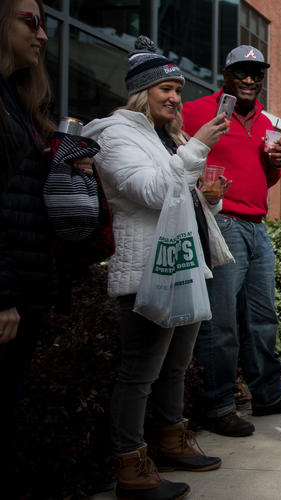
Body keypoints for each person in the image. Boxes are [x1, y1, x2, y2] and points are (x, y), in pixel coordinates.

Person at [83, 36, 230, 500]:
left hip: (185, 265)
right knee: (140, 372)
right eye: (164, 88)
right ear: (140, 92)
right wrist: (199, 146)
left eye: (178, 91)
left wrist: (206, 195)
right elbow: (149, 191)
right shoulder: (113, 134)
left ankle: (171, 441)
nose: (174, 98)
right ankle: (130, 465)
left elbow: (176, 191)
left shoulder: (167, 137)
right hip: (148, 271)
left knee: (175, 367)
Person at [182, 44, 281, 438]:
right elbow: (177, 156)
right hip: (221, 221)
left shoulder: (266, 123)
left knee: (262, 317)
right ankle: (218, 405)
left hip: (257, 225)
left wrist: (276, 165)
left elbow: (266, 180)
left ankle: (267, 394)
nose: (249, 79)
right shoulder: (197, 111)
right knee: (221, 321)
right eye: (241, 71)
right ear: (226, 74)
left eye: (256, 73)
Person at [0, 2, 56, 495]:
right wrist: (2, 295)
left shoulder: (19, 100)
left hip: (29, 285)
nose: (41, 35)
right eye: (30, 21)